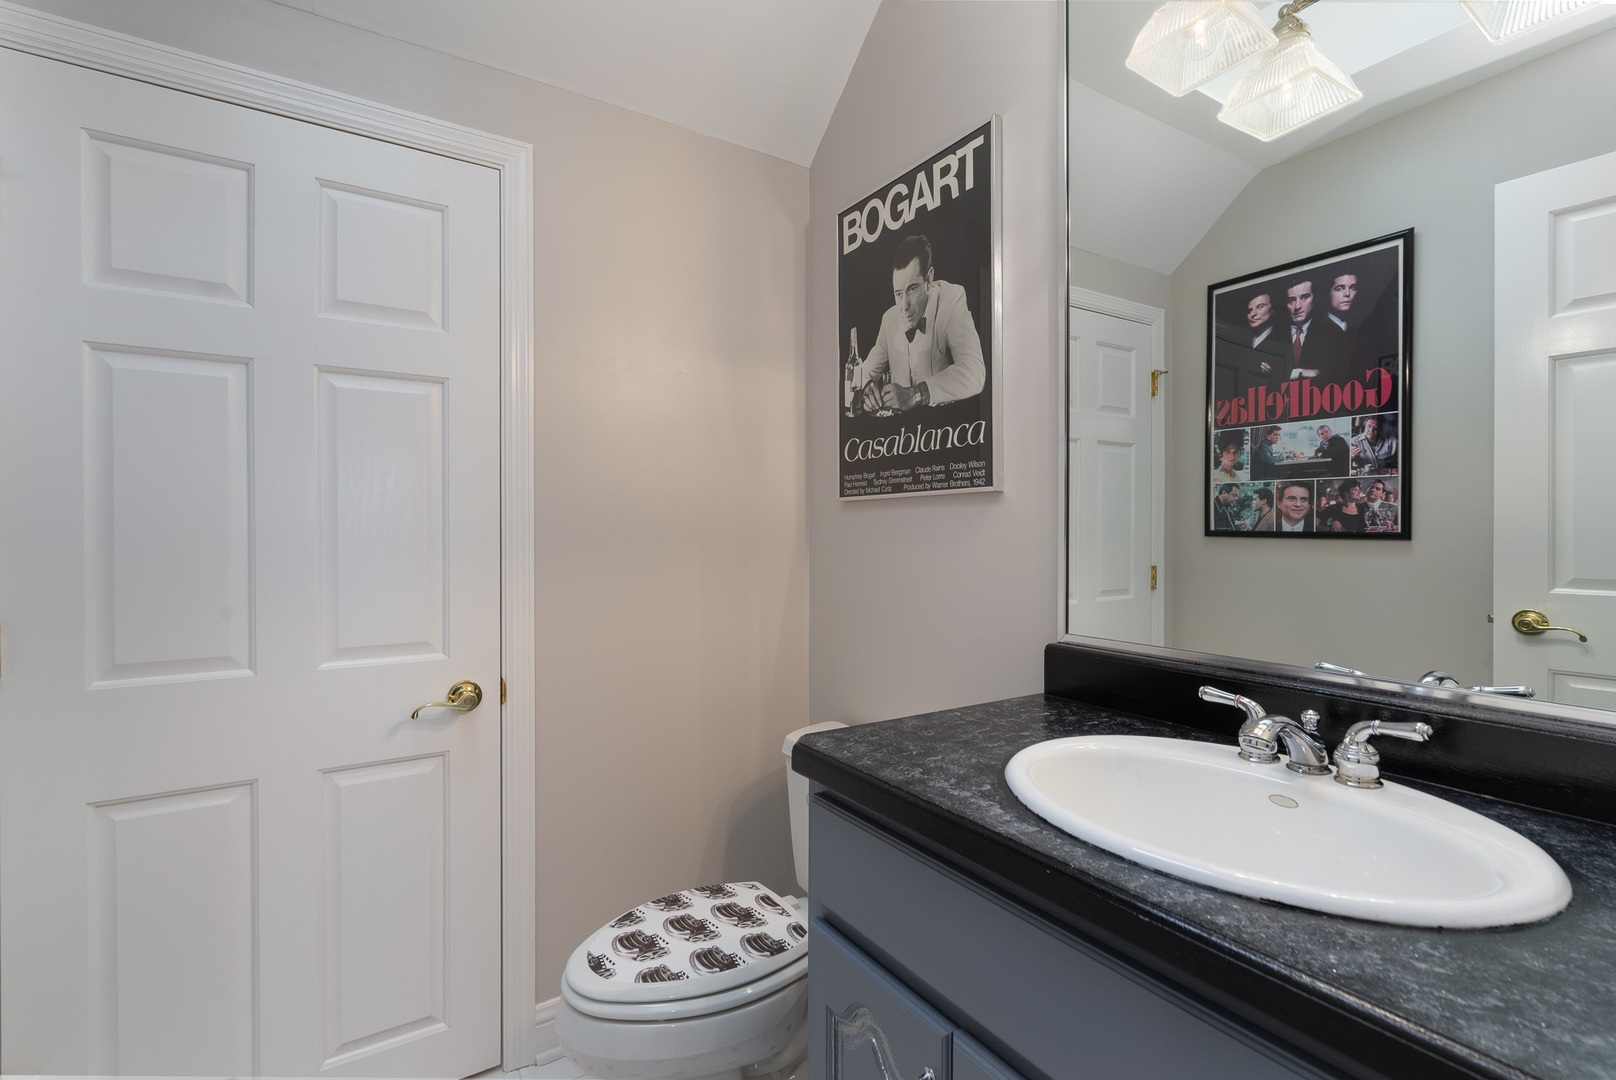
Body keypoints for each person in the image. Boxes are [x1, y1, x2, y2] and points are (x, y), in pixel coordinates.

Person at [859, 233, 985, 413]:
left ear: (929, 279)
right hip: (901, 428)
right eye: (898, 294)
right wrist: (867, 386)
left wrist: (915, 395)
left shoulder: (951, 300)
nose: (904, 306)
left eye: (912, 289)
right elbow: (864, 371)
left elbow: (974, 372)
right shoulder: (889, 319)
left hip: (945, 424)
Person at [1284, 277, 1349, 386]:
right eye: (1292, 300)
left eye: (1304, 297)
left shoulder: (1333, 333)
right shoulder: (1274, 334)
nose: (1297, 306)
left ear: (1315, 298)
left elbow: (1337, 373)